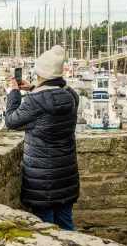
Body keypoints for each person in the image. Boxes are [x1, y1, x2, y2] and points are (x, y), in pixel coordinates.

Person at [5, 45, 80, 230]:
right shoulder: (71, 96)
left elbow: (11, 121)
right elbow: (51, 97)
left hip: (41, 178)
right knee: (66, 224)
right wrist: (32, 88)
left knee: (44, 228)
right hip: (66, 174)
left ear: (40, 72)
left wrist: (15, 93)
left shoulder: (34, 101)